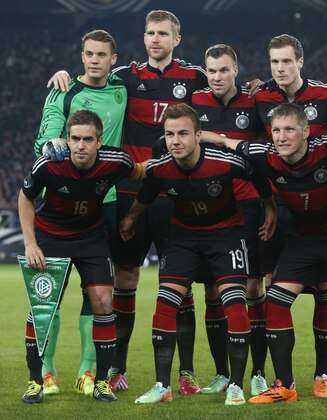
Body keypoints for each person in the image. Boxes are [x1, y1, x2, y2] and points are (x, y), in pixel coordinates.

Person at [47, 10, 209, 394]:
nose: (155, 39)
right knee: (125, 279)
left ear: (176, 39)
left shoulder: (195, 77)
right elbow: (94, 71)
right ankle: (116, 369)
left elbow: (223, 96)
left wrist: (251, 84)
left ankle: (186, 373)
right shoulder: (127, 78)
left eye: (163, 33)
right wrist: (64, 75)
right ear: (144, 37)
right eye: (150, 32)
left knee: (181, 286)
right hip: (130, 193)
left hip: (175, 195)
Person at [120, 104, 276, 405]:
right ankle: (162, 386)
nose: (175, 140)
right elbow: (147, 193)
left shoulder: (224, 161)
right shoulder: (161, 166)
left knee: (234, 303)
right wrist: (131, 217)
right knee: (165, 303)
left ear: (198, 135)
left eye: (182, 134)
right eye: (169, 134)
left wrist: (271, 209)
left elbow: (257, 175)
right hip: (184, 238)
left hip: (226, 236)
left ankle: (236, 385)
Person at [237, 103, 327, 406]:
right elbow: (231, 145)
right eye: (276, 130)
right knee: (275, 300)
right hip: (306, 239)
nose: (281, 136)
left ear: (306, 131)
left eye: (289, 129)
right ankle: (285, 385)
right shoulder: (263, 155)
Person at [19, 110, 144, 403]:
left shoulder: (116, 162)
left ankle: (100, 381)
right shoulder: (50, 164)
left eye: (88, 139)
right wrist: (30, 243)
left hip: (91, 238)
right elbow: (26, 198)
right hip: (51, 237)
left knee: (103, 300)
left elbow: (143, 171)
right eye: (75, 138)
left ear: (99, 141)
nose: (81, 145)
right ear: (67, 138)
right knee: (43, 308)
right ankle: (36, 381)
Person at [33, 29, 127, 398]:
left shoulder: (124, 86)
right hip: (61, 206)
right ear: (81, 55)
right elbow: (47, 140)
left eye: (101, 54)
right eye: (88, 53)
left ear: (113, 59)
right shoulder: (64, 90)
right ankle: (46, 372)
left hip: (105, 203)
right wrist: (54, 143)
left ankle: (87, 373)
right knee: (49, 294)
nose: (93, 60)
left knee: (98, 294)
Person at [254, 34, 327, 398]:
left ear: (300, 62)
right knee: (269, 289)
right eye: (274, 62)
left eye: (286, 61)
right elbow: (253, 152)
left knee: (324, 288)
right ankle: (275, 377)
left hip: (319, 211)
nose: (280, 68)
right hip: (278, 208)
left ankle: (322, 374)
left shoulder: (326, 96)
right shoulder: (260, 97)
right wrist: (267, 203)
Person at [190, 44, 269, 397]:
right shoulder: (197, 101)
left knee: (253, 288)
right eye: (212, 70)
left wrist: (271, 204)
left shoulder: (254, 102)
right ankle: (223, 373)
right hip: (209, 205)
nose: (217, 77)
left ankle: (259, 372)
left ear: (236, 71)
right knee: (213, 291)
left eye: (224, 70)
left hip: (248, 204)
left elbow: (268, 151)